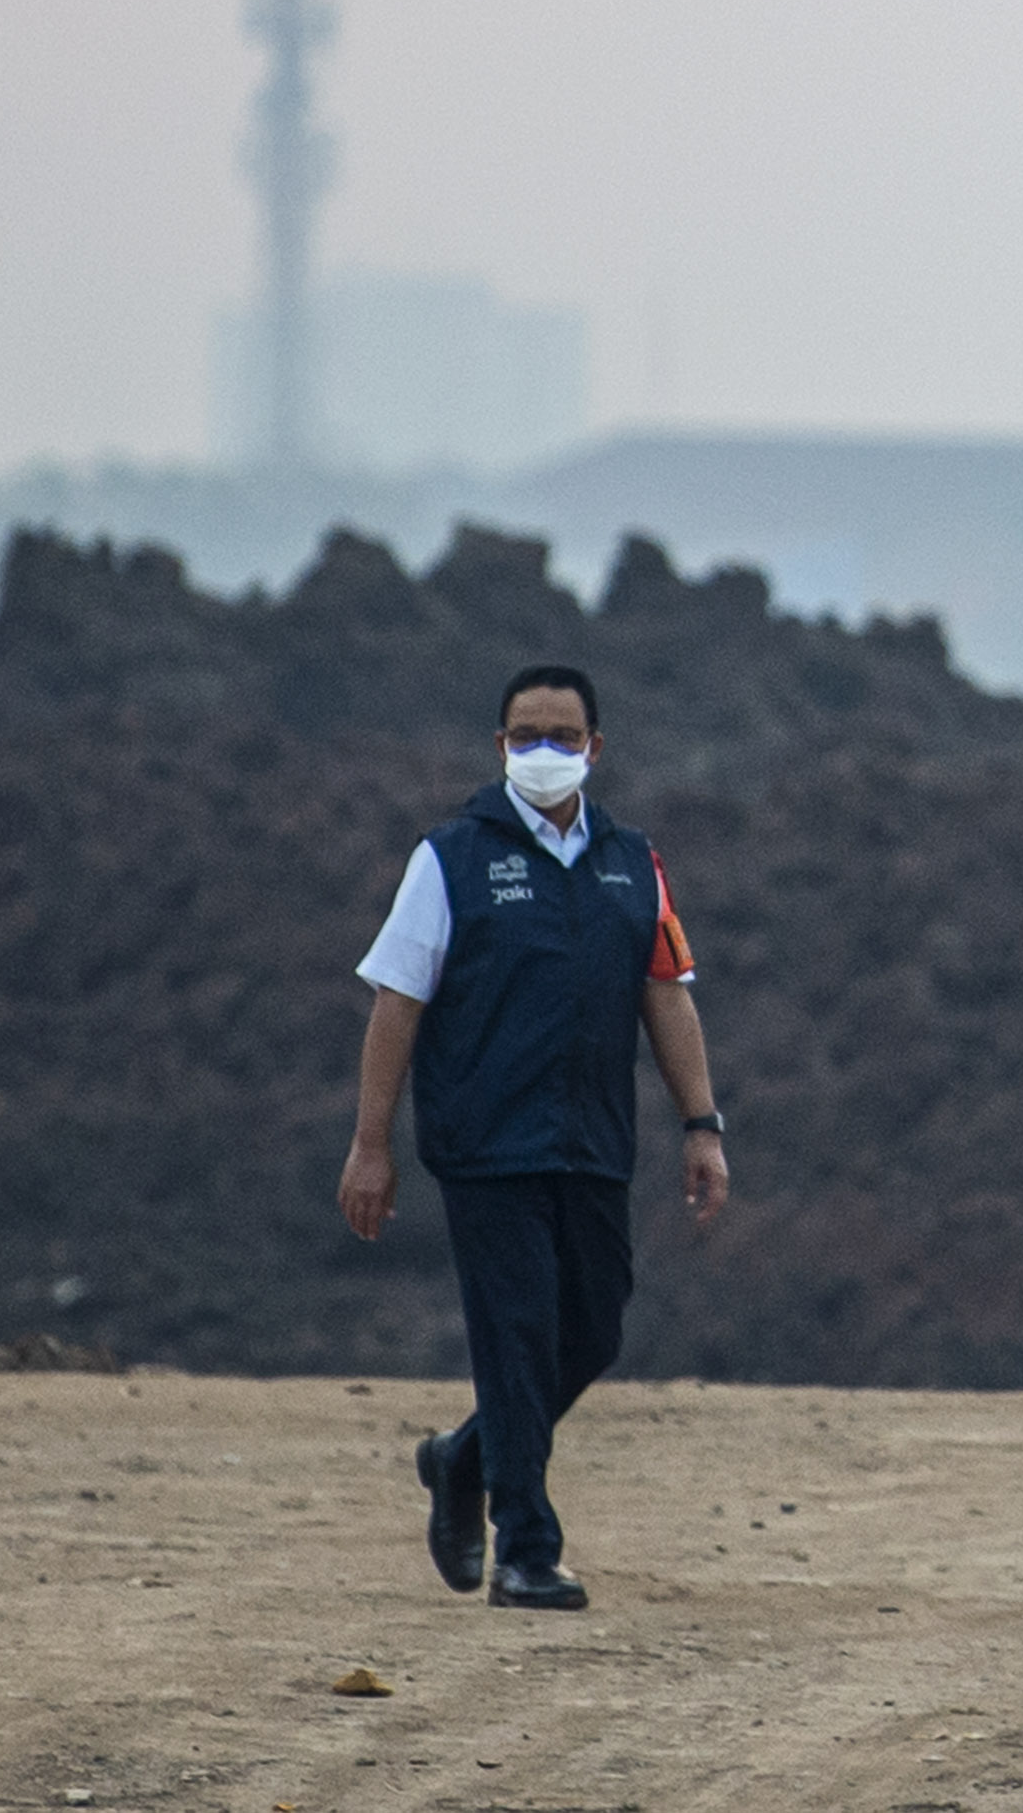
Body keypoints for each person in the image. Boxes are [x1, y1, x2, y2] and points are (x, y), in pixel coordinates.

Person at [336, 661, 730, 1611]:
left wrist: (701, 1124)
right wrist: (371, 1142)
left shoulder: (634, 863)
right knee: (515, 1335)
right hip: (485, 1142)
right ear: (499, 745)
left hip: (592, 1138)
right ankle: (526, 1547)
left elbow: (665, 996)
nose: (543, 753)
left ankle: (461, 1456)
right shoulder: (451, 858)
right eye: (525, 736)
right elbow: (397, 1002)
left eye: (562, 736)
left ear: (596, 748)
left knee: (591, 1326)